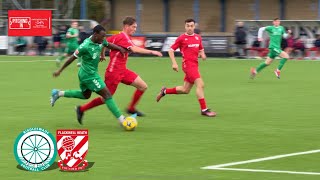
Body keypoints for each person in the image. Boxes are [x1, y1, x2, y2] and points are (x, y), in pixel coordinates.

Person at [77, 16, 162, 121]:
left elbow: (104, 42)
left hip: (123, 71)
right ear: (126, 26)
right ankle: (81, 109)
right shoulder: (123, 37)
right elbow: (134, 49)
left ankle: (131, 108)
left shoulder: (117, 36)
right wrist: (152, 52)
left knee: (142, 86)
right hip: (114, 72)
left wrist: (103, 54)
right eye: (133, 27)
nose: (135, 29)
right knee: (105, 98)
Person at [51, 25, 129, 125]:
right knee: (107, 95)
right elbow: (72, 58)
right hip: (89, 75)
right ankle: (122, 120)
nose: (103, 38)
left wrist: (119, 48)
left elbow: (107, 44)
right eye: (102, 36)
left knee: (85, 95)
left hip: (86, 73)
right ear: (95, 35)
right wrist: (60, 70)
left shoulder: (100, 40)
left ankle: (58, 93)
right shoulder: (85, 46)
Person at [156, 18, 216, 117]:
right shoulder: (181, 38)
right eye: (187, 26)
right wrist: (174, 63)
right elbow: (171, 50)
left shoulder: (198, 37)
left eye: (191, 26)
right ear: (185, 26)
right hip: (188, 65)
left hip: (195, 65)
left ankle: (165, 91)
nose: (189, 28)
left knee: (185, 90)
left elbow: (201, 49)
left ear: (194, 26)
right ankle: (204, 110)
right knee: (200, 84)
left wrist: (203, 54)